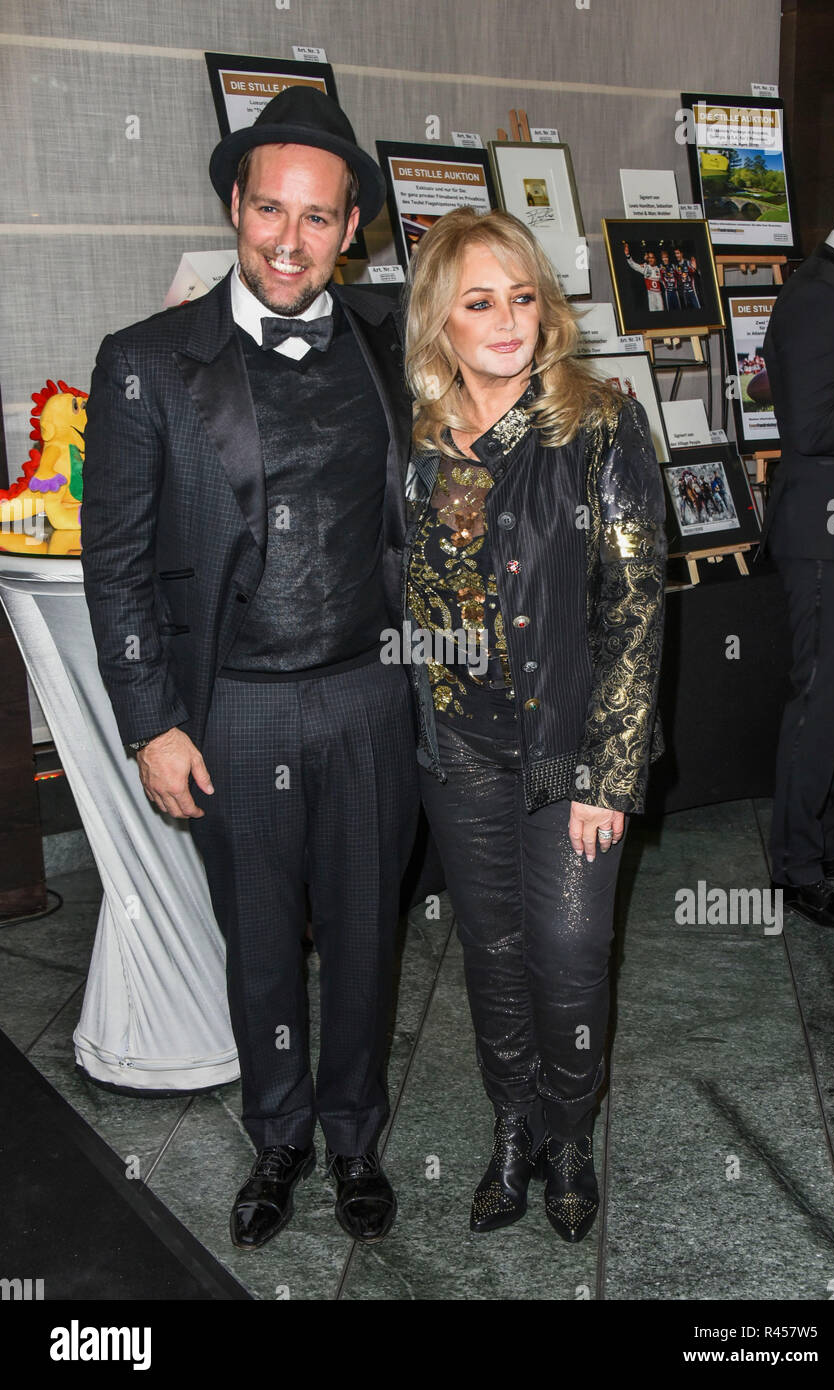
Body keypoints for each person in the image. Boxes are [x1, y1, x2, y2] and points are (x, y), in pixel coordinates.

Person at [81, 87, 419, 1249]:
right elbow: (116, 563)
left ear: (352, 228)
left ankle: (355, 1137)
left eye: (318, 217)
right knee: (261, 941)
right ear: (235, 204)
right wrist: (149, 722)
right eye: (270, 208)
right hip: (233, 710)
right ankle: (279, 1139)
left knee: (366, 936)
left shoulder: (393, 337)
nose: (289, 239)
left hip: (374, 694)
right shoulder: (145, 361)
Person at [402, 207, 666, 1241]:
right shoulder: (423, 440)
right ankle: (512, 1127)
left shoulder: (597, 424)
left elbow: (634, 606)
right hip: (457, 748)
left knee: (568, 948)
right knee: (493, 948)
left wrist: (609, 772)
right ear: (441, 321)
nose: (507, 320)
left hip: (567, 748)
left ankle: (567, 1135)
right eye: (479, 302)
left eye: (522, 297)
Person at [761, 159, 834, 930]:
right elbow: (812, 426)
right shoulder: (819, 293)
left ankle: (828, 843)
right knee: (820, 700)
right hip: (826, 534)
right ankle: (796, 870)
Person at [622, 243, 664, 311]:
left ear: (655, 259)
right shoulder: (646, 268)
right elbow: (634, 265)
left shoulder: (659, 269)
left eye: (652, 258)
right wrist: (628, 255)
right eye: (649, 258)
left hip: (659, 296)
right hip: (650, 296)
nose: (650, 259)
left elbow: (665, 281)